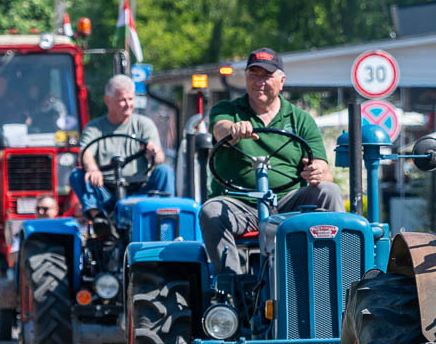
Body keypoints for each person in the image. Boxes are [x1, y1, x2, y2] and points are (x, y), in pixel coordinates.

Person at [201, 47, 342, 275]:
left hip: (288, 203)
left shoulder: (300, 119)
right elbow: (220, 129)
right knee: (211, 211)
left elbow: (324, 170)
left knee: (329, 191)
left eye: (267, 75)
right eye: (253, 74)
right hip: (241, 205)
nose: (259, 82)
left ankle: (330, 278)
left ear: (282, 81)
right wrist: (233, 130)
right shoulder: (228, 110)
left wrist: (318, 171)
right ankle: (232, 284)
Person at [70, 74, 173, 217]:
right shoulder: (94, 128)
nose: (128, 104)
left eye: (131, 99)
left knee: (165, 170)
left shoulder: (144, 124)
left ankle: (165, 217)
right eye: (122, 100)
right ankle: (98, 217)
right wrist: (93, 169)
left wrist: (153, 154)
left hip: (139, 189)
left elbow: (159, 157)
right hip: (106, 190)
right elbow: (85, 153)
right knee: (77, 175)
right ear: (108, 101)